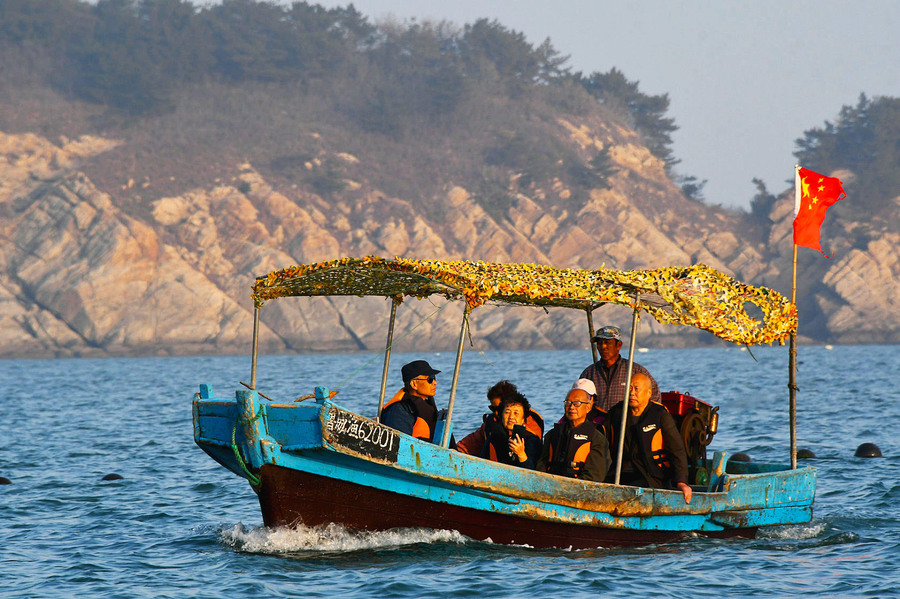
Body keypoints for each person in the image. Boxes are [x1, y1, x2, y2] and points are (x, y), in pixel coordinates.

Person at [605, 373, 692, 503]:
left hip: (652, 476)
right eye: (628, 389)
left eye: (636, 389)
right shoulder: (617, 412)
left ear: (649, 393)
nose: (632, 393)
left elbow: (677, 450)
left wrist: (681, 482)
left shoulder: (660, 415)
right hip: (620, 474)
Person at [536, 379, 610, 481]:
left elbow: (595, 475)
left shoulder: (597, 438)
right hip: (550, 484)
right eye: (568, 402)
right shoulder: (552, 434)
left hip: (579, 488)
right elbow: (541, 466)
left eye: (577, 403)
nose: (571, 407)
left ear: (588, 407)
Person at [580, 325, 661, 412]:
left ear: (618, 345)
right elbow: (579, 401)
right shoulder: (589, 373)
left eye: (607, 342)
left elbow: (655, 399)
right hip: (598, 423)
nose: (603, 346)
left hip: (628, 423)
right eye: (599, 343)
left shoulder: (636, 371)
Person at [455, 380, 544, 455]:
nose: (496, 413)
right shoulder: (492, 422)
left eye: (499, 408)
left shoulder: (531, 424)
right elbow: (470, 443)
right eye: (493, 409)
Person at [380, 360, 442, 442]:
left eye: (434, 378)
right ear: (414, 384)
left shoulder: (428, 406)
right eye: (430, 379)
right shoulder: (399, 410)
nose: (435, 383)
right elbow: (398, 444)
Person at [480, 392, 542, 469]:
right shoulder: (493, 436)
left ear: (523, 419)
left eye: (516, 413)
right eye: (507, 412)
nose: (511, 417)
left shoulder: (531, 439)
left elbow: (534, 472)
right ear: (501, 416)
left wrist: (521, 454)